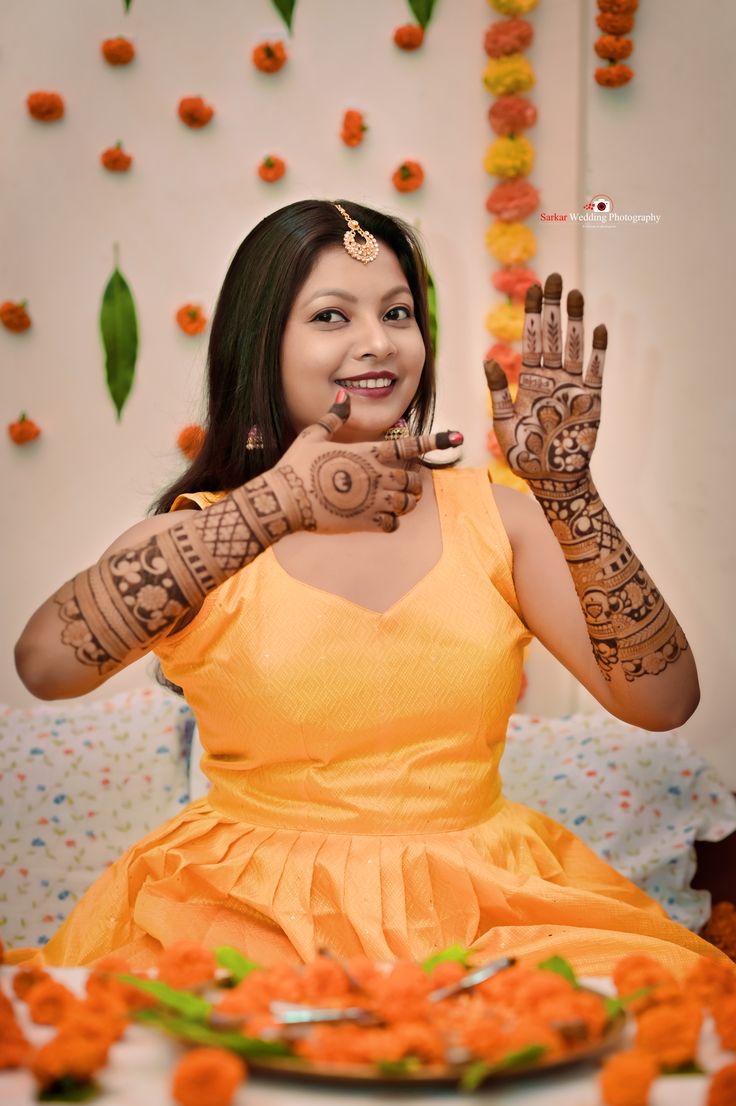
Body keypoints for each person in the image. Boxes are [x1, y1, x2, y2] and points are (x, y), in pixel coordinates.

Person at [11, 199, 725, 976]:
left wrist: (569, 494)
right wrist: (274, 505)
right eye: (330, 316)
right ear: (260, 347)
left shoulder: (498, 519)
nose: (379, 342)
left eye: (397, 312)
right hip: (242, 916)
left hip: (486, 914)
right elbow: (46, 664)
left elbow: (662, 702)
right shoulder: (206, 536)